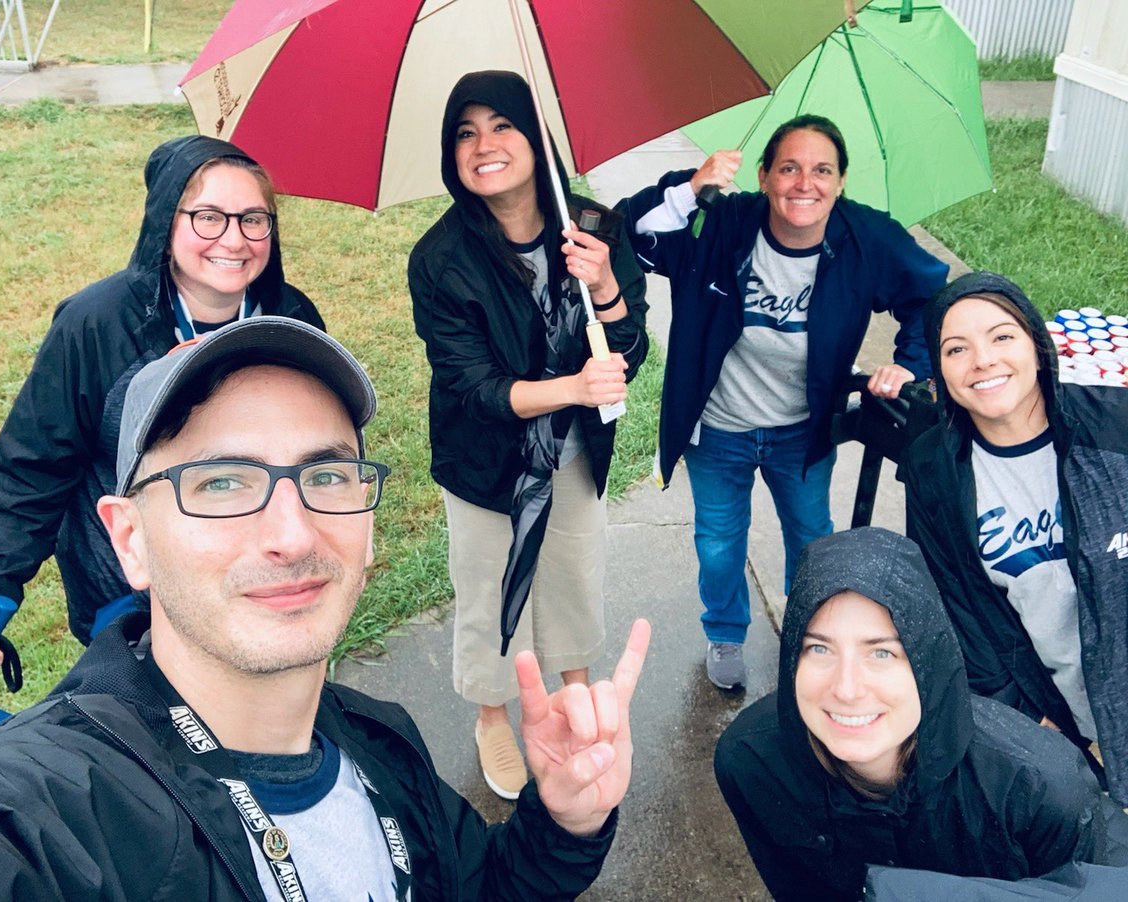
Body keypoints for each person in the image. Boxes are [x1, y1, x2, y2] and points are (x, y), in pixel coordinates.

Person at [0, 316, 652, 900]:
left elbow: (476, 887)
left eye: (327, 474)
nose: (293, 535)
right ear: (130, 539)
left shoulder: (383, 743)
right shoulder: (49, 815)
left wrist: (565, 822)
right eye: (220, 483)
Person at [0, 135, 324, 690]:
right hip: (135, 598)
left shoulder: (292, 317)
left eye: (253, 219)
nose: (234, 239)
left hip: (262, 576)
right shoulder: (96, 325)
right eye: (208, 217)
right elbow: (34, 470)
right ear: (166, 222)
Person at [615, 114, 948, 690]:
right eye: (789, 168)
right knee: (719, 544)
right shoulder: (722, 224)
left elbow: (933, 295)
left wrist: (912, 362)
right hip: (717, 427)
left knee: (813, 541)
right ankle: (725, 632)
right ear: (764, 176)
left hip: (803, 430)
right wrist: (690, 188)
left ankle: (810, 634)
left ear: (840, 182)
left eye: (822, 171)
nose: (804, 184)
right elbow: (628, 233)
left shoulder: (865, 238)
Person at [408, 70, 649, 800]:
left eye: (503, 125)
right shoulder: (441, 259)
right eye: (465, 133)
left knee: (573, 574)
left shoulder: (595, 229)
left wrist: (604, 288)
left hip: (573, 453)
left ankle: (574, 695)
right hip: (486, 461)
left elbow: (630, 348)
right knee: (490, 591)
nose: (484, 145)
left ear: (538, 139)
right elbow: (474, 388)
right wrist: (573, 388)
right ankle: (492, 715)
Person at [714, 527, 1127, 902]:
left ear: (930, 659)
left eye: (881, 653)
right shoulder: (751, 761)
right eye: (819, 648)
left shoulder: (1039, 789)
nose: (846, 688)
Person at [903, 270, 1128, 805]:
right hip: (1070, 730)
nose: (982, 360)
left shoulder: (1114, 427)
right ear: (939, 371)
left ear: (1037, 346)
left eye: (1002, 336)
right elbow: (959, 613)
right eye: (957, 348)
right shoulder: (935, 469)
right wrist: (1039, 728)